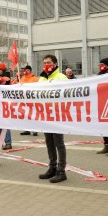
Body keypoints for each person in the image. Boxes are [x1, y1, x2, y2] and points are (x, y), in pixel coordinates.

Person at [38, 55, 69, 183]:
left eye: (49, 62)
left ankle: (61, 171)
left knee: (58, 143)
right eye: (44, 63)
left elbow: (68, 94)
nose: (46, 65)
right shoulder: (42, 78)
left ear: (55, 64)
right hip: (46, 115)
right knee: (49, 142)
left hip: (58, 115)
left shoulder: (61, 77)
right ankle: (52, 167)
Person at [0, 62, 13, 150]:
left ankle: (8, 142)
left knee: (5, 124)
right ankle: (0, 142)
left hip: (4, 103)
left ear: (1, 70)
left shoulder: (5, 78)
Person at [19, 65, 39, 136]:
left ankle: (35, 130)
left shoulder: (35, 79)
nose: (25, 71)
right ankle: (26, 129)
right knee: (25, 114)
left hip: (32, 100)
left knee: (33, 114)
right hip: (24, 100)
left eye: (26, 70)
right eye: (24, 70)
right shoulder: (22, 79)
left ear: (30, 70)